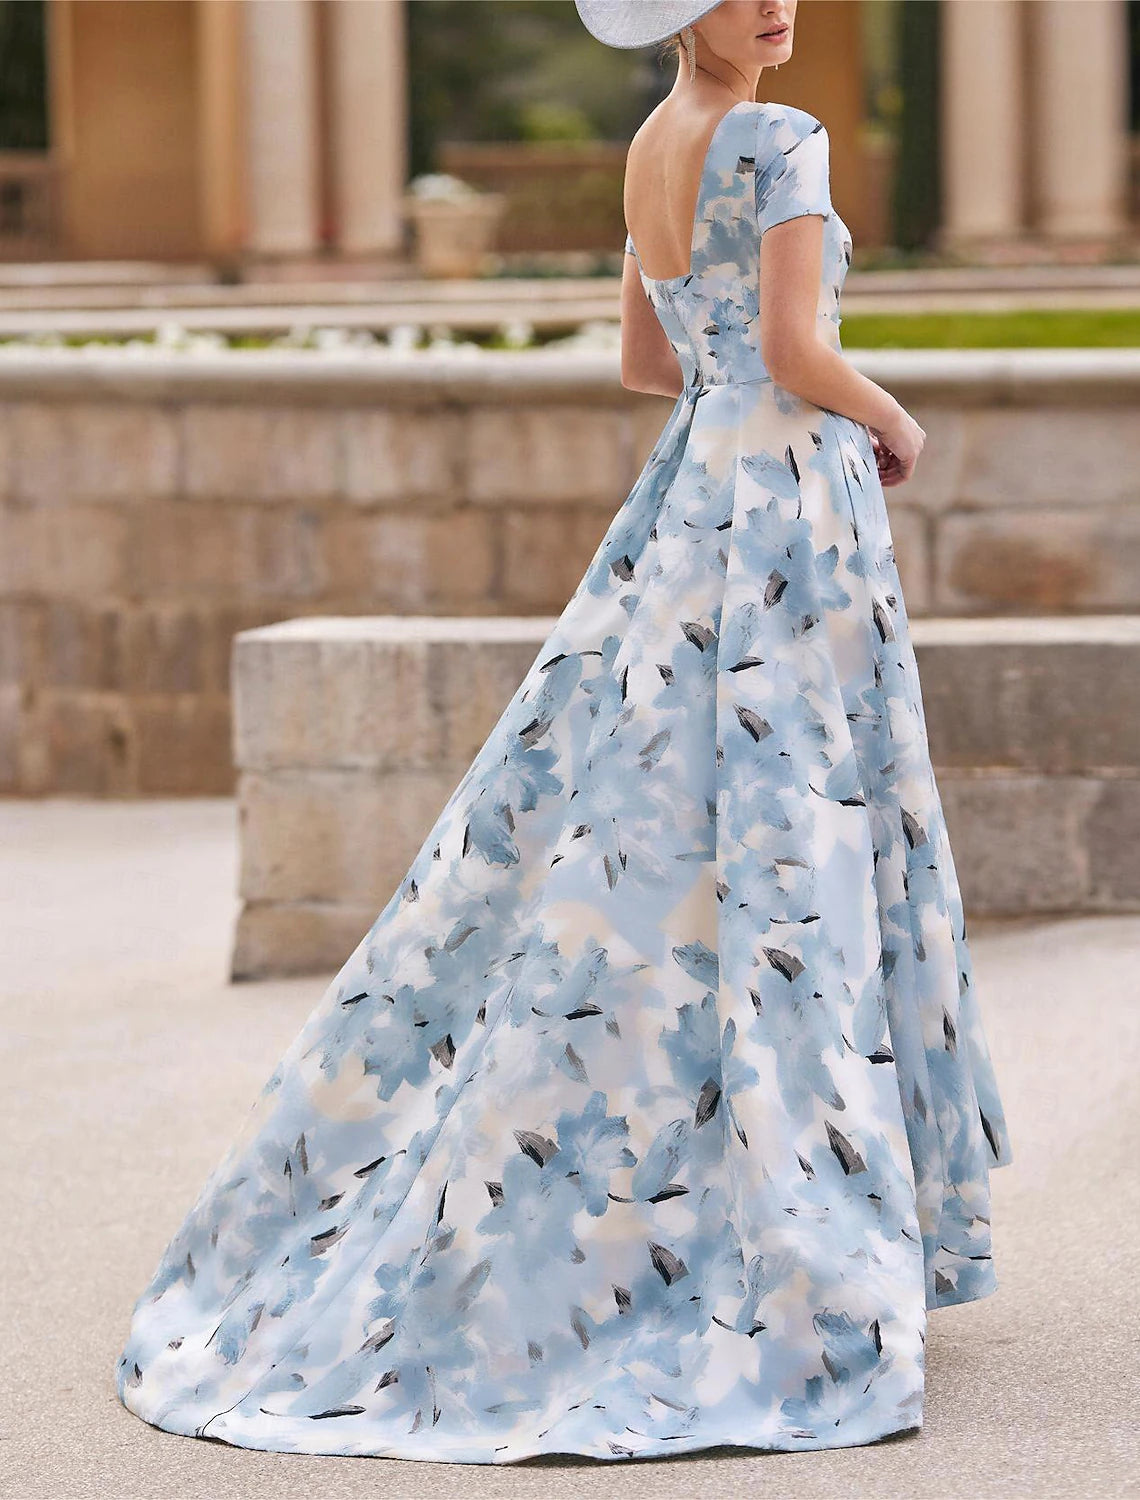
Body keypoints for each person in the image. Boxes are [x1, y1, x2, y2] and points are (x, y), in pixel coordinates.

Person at [113, 0, 1013, 1465]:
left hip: (691, 496)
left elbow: (652, 370)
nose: (775, 2)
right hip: (787, 509)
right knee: (786, 834)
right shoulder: (780, 137)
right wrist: (889, 413)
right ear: (680, 9)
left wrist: (767, 374)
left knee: (651, 831)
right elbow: (795, 346)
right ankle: (779, 1219)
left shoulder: (653, 146)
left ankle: (651, 1193)